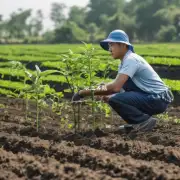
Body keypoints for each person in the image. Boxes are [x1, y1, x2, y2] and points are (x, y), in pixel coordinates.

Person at [72, 29, 174, 133]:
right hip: (153, 97)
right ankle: (136, 124)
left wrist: (84, 92)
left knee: (115, 99)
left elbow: (115, 87)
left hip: (157, 99)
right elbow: (119, 87)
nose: (109, 49)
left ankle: (142, 122)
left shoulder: (131, 59)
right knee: (114, 97)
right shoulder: (125, 61)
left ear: (123, 45)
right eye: (109, 46)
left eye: (112, 45)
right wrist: (102, 90)